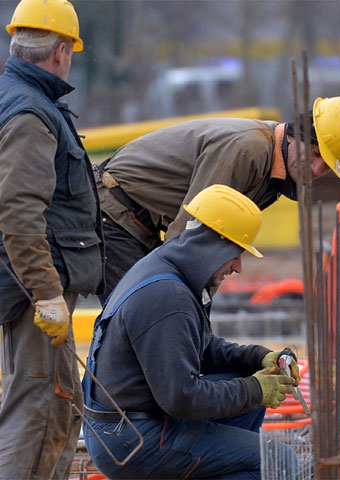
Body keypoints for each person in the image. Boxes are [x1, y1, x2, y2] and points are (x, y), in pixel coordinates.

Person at [83, 184, 301, 479]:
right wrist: (254, 389)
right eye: (235, 253)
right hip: (130, 440)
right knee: (279, 459)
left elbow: (203, 349)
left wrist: (257, 359)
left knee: (249, 403)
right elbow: (182, 398)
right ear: (214, 245)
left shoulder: (170, 270)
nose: (238, 266)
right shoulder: (168, 297)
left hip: (129, 424)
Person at [97, 96, 340, 302]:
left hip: (139, 221)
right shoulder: (250, 150)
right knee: (142, 315)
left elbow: (216, 242)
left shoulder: (275, 171)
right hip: (115, 210)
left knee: (158, 314)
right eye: (316, 154)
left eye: (328, 167)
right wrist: (193, 304)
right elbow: (190, 231)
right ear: (296, 136)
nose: (317, 171)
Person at [0, 0, 104, 477]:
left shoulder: (21, 99)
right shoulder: (29, 113)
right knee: (39, 412)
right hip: (35, 292)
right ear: (61, 50)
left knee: (57, 404)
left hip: (33, 286)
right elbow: (19, 211)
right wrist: (46, 295)